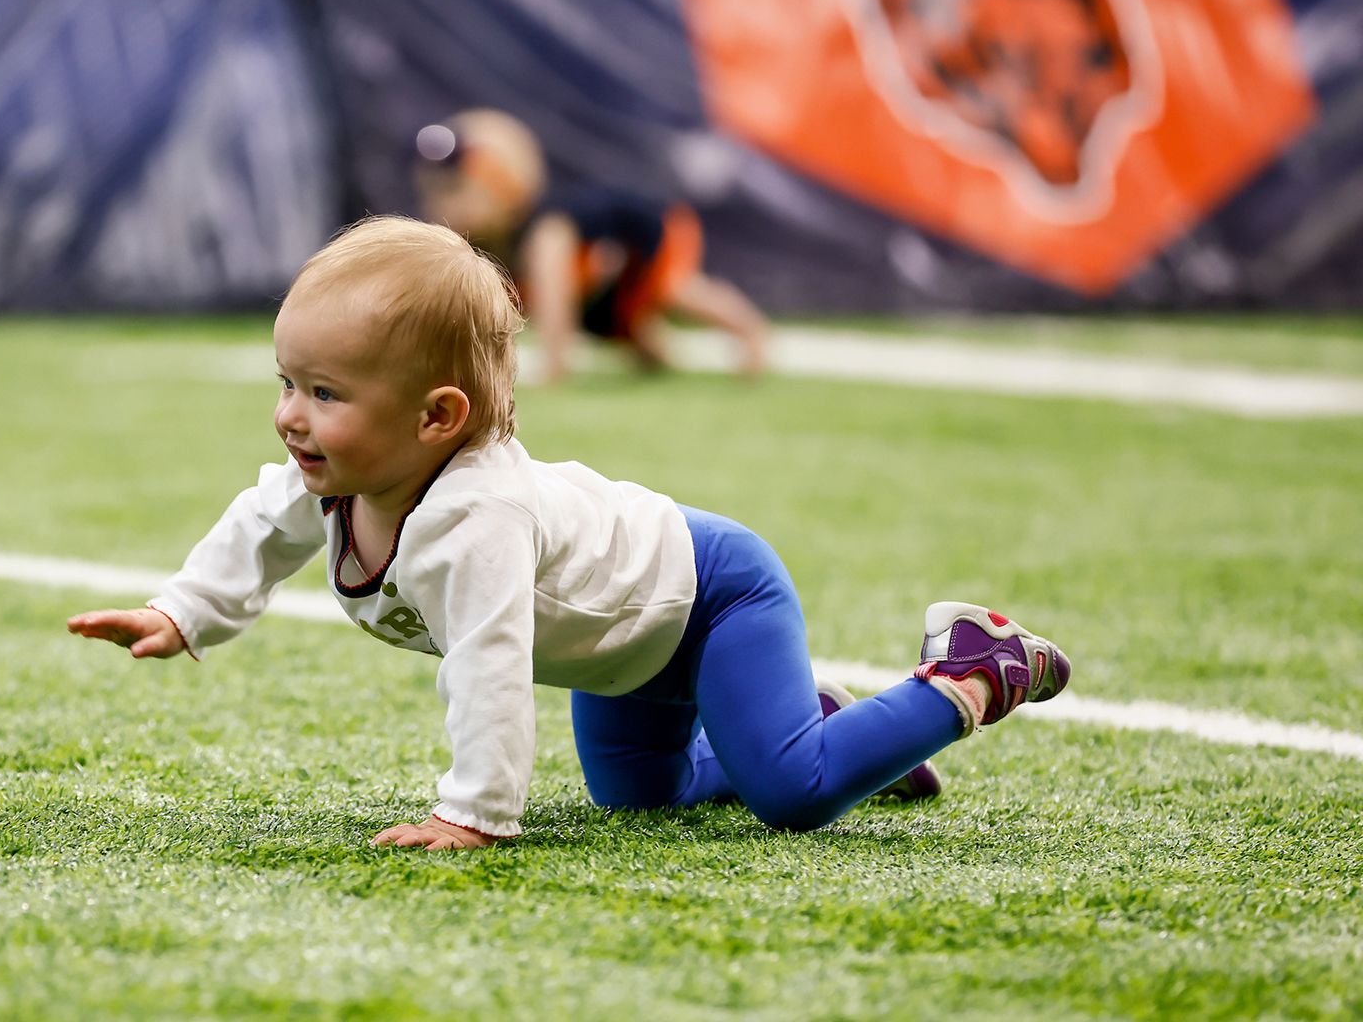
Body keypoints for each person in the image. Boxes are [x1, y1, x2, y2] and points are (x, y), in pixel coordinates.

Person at [67, 217, 1070, 850]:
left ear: (437, 417)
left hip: (711, 596)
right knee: (641, 803)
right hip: (624, 648)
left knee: (793, 797)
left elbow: (492, 665)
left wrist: (472, 814)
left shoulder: (473, 518)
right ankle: (832, 729)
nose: (291, 416)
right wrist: (183, 612)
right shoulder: (336, 476)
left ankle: (973, 666)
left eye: (325, 393)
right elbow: (259, 524)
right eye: (287, 382)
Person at [413, 108, 772, 384]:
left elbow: (554, 294)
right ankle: (658, 354)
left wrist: (554, 366)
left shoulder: (546, 228)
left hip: (652, 232)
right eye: (434, 194)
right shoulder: (493, 243)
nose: (441, 207)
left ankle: (749, 331)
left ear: (504, 183)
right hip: (611, 273)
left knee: (673, 288)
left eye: (454, 191)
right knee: (620, 325)